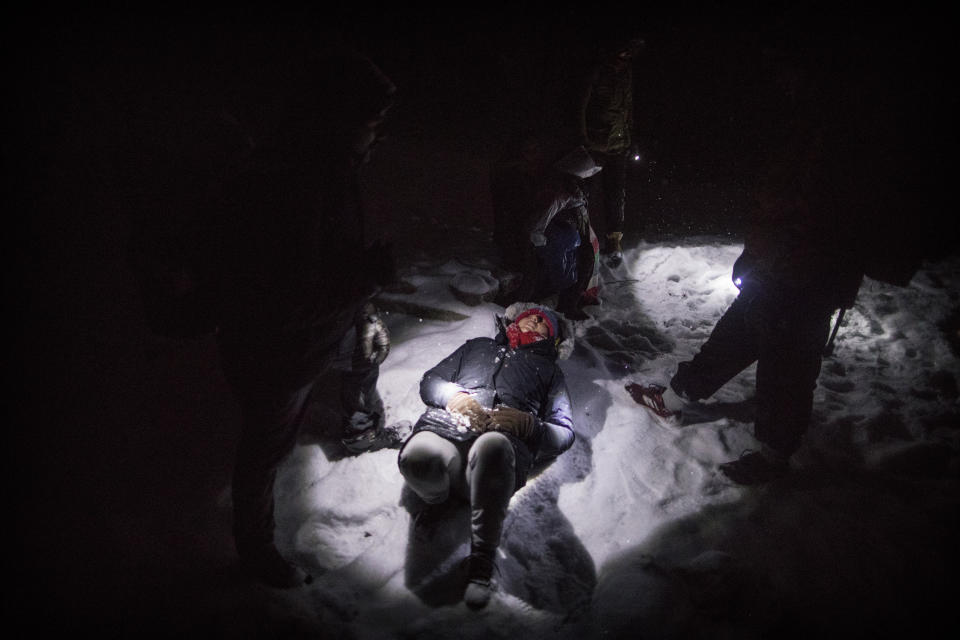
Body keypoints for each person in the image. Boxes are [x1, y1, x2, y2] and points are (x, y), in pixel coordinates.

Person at [628, 41, 935, 486]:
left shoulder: (844, 130)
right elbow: (783, 202)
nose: (781, 82)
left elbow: (820, 210)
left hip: (806, 275)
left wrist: (787, 257)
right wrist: (758, 255)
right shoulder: (812, 123)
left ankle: (773, 455)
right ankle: (675, 398)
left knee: (787, 368)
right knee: (737, 333)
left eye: (790, 72)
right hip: (777, 266)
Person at [186, 49, 402, 587]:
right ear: (337, 118)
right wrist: (368, 281)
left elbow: (338, 253)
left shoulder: (335, 167)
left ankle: (357, 427)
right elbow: (282, 299)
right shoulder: (289, 186)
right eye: (371, 121)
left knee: (368, 351)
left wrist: (365, 308)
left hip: (324, 330)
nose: (377, 133)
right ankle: (256, 552)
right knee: (266, 446)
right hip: (277, 354)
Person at [397, 302, 576, 608]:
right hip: (447, 431)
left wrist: (530, 425)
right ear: (513, 321)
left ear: (554, 339)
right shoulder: (477, 347)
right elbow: (430, 381)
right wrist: (452, 395)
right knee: (417, 456)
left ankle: (482, 560)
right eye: (529, 317)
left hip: (499, 455)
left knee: (492, 447)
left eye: (543, 323)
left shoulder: (549, 371)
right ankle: (437, 501)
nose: (534, 321)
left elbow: (564, 432)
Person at [494, 143, 602, 320]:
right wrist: (536, 236)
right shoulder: (560, 188)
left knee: (580, 265)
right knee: (552, 274)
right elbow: (542, 215)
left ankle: (570, 303)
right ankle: (524, 311)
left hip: (569, 234)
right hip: (556, 237)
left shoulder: (571, 184)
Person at [577, 33, 643, 268]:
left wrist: (630, 136)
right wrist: (583, 137)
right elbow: (581, 105)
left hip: (619, 143)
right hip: (595, 143)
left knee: (615, 194)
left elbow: (628, 107)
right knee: (583, 193)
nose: (626, 57)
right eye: (624, 51)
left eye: (631, 53)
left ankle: (613, 242)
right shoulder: (597, 71)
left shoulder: (626, 72)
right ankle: (581, 239)